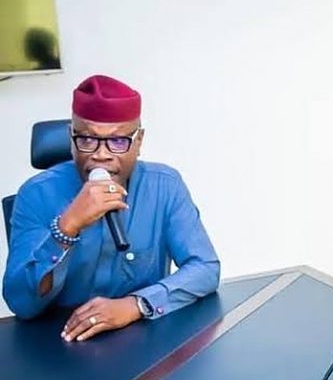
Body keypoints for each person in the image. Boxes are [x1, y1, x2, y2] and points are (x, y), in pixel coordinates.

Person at [3, 74, 220, 342]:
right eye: (87, 139)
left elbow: (205, 268)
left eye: (118, 141)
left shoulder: (165, 185)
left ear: (139, 141)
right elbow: (22, 304)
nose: (101, 155)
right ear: (71, 138)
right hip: (61, 341)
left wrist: (136, 304)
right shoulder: (36, 194)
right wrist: (67, 227)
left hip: (142, 341)